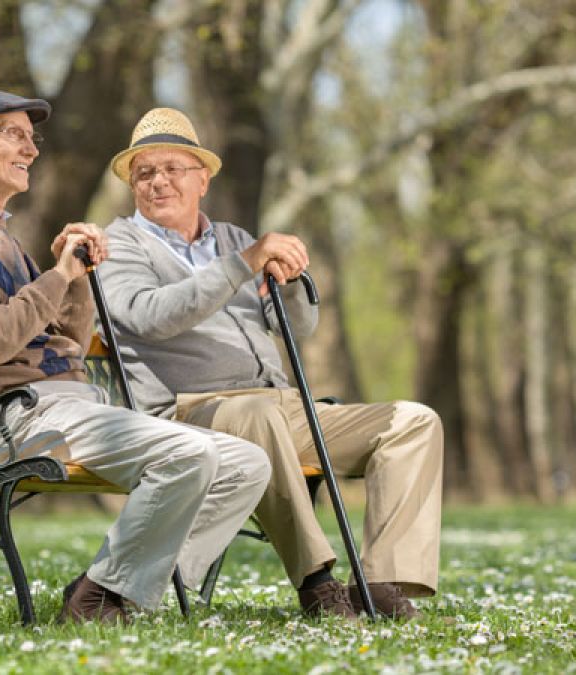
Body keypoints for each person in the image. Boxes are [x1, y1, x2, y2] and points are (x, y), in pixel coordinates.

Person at [0, 91, 271, 624]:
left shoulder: (0, 236)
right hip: (14, 419)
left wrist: (77, 280)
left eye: (32, 137)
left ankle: (114, 591)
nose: (30, 148)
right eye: (13, 134)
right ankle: (99, 600)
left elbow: (65, 342)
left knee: (248, 463)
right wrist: (58, 277)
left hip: (63, 408)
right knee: (188, 454)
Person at [98, 108, 444, 620]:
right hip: (189, 414)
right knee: (257, 421)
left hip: (283, 406)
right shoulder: (121, 243)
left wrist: (292, 283)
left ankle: (383, 587)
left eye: (172, 168)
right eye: (144, 173)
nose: (157, 182)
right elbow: (150, 317)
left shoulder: (234, 238)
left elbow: (295, 330)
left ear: (203, 179)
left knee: (414, 422)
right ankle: (317, 584)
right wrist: (242, 265)